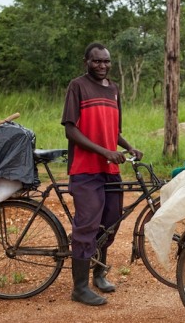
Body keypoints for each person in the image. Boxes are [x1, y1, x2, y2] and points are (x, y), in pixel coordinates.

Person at [61, 42, 142, 306]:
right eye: (96, 61)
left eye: (106, 61)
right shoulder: (78, 86)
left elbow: (113, 131)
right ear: (86, 61)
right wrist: (104, 152)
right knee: (87, 226)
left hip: (110, 170)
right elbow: (71, 130)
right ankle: (79, 287)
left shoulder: (114, 89)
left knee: (110, 223)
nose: (102, 66)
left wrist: (128, 146)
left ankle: (99, 273)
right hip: (85, 169)